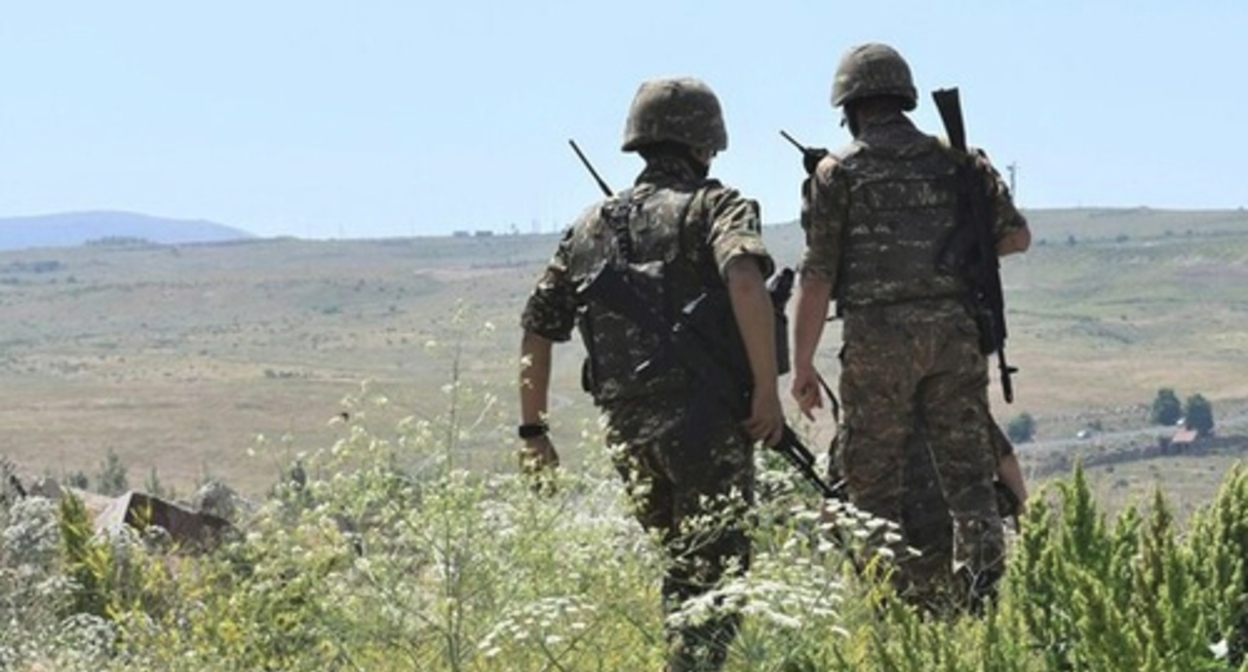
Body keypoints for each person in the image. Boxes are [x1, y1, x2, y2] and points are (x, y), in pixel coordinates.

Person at [518, 77, 783, 672]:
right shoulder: (717, 205)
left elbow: (538, 328)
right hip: (706, 423)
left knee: (683, 572)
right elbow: (745, 279)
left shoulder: (588, 228)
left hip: (629, 433)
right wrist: (768, 390)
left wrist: (532, 433)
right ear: (707, 142)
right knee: (716, 583)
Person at [789, 43, 1032, 609]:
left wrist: (801, 365)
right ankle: (980, 602)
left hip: (877, 345)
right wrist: (960, 252)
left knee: (873, 487)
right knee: (969, 482)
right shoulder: (959, 163)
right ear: (904, 98)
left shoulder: (836, 173)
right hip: (954, 336)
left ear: (848, 107)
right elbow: (1016, 237)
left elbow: (818, 274)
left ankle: (893, 607)